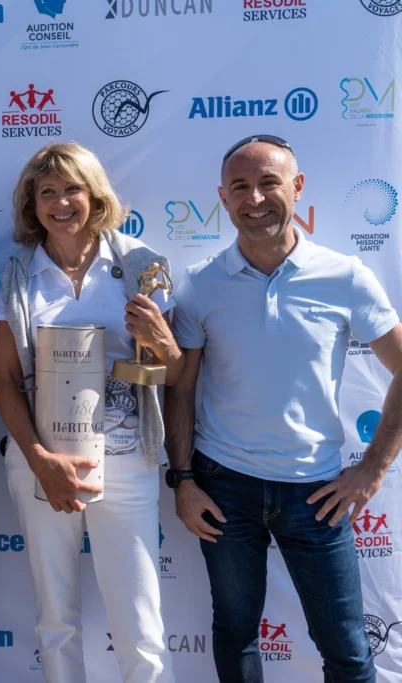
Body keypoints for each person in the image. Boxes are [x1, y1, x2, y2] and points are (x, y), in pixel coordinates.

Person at [166, 134, 402, 683]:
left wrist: (372, 468)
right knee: (235, 634)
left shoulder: (345, 277)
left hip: (316, 492)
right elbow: (179, 389)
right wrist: (182, 478)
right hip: (223, 485)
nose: (255, 199)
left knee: (347, 650)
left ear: (297, 188)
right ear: (222, 199)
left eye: (269, 183)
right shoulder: (201, 284)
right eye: (240, 187)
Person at [0, 142, 180, 683]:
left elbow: (172, 370)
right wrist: (38, 461)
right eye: (45, 192)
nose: (59, 202)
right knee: (56, 621)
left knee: (141, 626)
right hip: (42, 460)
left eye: (71, 188)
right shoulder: (17, 272)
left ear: (94, 195)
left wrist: (164, 345)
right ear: (32, 204)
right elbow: (6, 379)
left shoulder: (142, 265)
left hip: (127, 457)